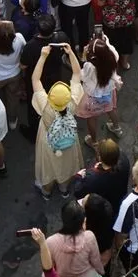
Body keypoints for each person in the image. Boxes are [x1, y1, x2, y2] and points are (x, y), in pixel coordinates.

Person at [32, 44, 85, 198]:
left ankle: (46, 192)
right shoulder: (72, 103)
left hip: (48, 141)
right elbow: (77, 73)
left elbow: (35, 79)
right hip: (67, 139)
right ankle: (64, 189)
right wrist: (71, 53)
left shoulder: (45, 106)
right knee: (66, 165)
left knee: (49, 166)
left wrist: (43, 56)